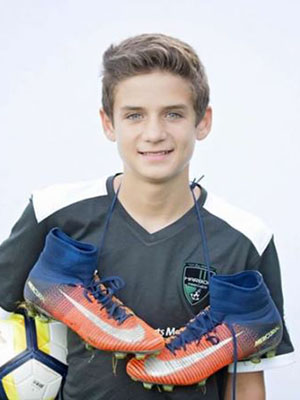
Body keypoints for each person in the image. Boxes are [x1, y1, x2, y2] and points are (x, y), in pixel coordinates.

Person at [0, 33, 294, 400]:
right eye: (135, 115)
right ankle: (64, 279)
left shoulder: (245, 237)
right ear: (109, 123)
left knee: (243, 317)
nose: (154, 133)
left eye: (173, 114)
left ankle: (221, 331)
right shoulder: (54, 214)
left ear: (203, 121)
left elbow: (246, 383)